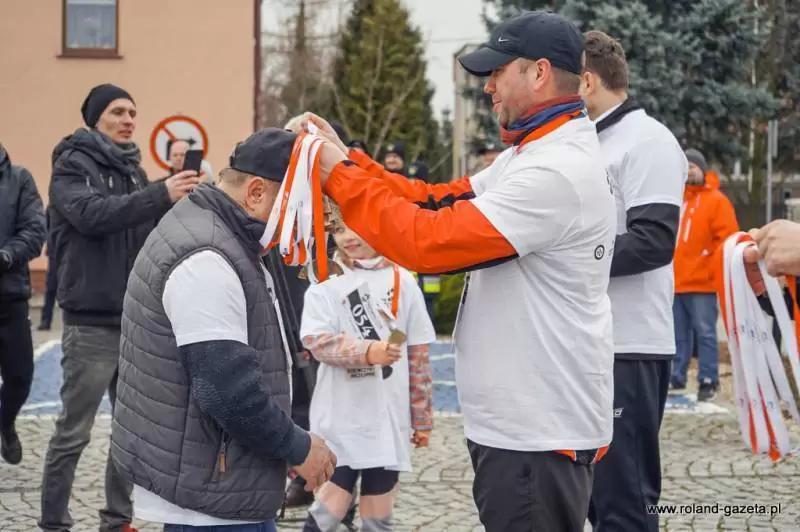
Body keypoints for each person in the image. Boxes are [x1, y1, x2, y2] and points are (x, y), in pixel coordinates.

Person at [297, 10, 617, 531]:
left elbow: (429, 242)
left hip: (537, 432)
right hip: (522, 425)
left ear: (538, 72)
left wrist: (337, 175)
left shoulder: (555, 170)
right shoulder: (532, 153)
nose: (487, 86)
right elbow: (432, 201)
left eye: (497, 71)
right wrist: (348, 161)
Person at [110, 128, 337, 532]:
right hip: (212, 495)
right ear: (255, 193)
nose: (302, 226)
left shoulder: (220, 233)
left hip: (220, 480)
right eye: (299, 209)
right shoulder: (207, 257)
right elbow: (227, 391)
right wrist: (298, 447)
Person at [40, 83, 200, 532]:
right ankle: (53, 523)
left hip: (134, 320)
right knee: (74, 432)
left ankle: (117, 520)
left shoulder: (134, 170)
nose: (129, 119)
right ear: (95, 118)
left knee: (130, 432)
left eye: (132, 112)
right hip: (90, 323)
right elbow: (93, 215)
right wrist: (158, 194)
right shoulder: (72, 164)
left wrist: (175, 200)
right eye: (117, 111)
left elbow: (144, 227)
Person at [578, 30, 687, 532]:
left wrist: (566, 261)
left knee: (625, 504)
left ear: (587, 82)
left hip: (630, 344)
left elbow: (653, 241)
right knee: (590, 501)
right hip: (583, 343)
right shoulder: (585, 141)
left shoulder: (648, 140)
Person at [300, 221, 435, 531]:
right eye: (338, 230)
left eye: (356, 227)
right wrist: (368, 351)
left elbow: (417, 352)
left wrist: (422, 419)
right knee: (331, 506)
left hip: (390, 417)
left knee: (379, 511)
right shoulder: (326, 279)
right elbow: (317, 341)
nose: (347, 237)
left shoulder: (403, 280)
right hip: (340, 416)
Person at [671, 148, 739, 401]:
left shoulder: (717, 201)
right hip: (677, 281)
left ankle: (708, 379)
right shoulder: (678, 200)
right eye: (686, 166)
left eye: (693, 166)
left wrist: (710, 265)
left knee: (706, 333)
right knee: (678, 335)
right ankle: (676, 376)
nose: (689, 171)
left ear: (702, 169)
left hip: (703, 283)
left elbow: (727, 238)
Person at [0, 142, 46, 465]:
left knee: (20, 377)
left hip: (10, 297)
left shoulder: (19, 179)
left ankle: (5, 423)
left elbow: (34, 230)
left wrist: (7, 256)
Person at [38, 207, 58, 331]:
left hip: (71, 253)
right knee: (51, 287)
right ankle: (46, 320)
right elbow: (45, 228)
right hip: (55, 252)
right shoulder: (52, 208)